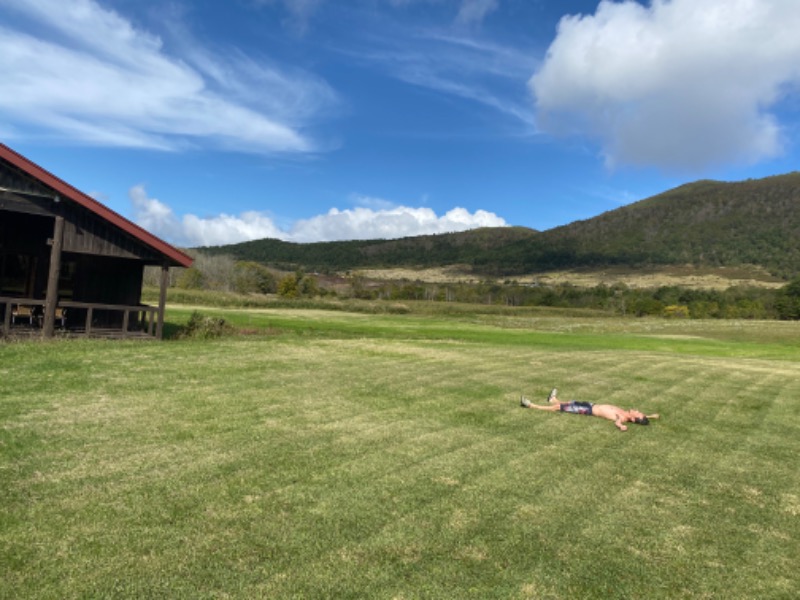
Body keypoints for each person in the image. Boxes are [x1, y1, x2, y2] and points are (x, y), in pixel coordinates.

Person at [520, 388, 659, 432]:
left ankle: (531, 405)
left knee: (559, 408)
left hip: (588, 410)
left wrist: (621, 426)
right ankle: (552, 399)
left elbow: (617, 422)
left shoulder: (622, 418)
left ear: (633, 418)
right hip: (592, 405)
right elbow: (641, 417)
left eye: (638, 412)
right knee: (569, 402)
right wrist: (651, 416)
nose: (637, 410)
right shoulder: (627, 414)